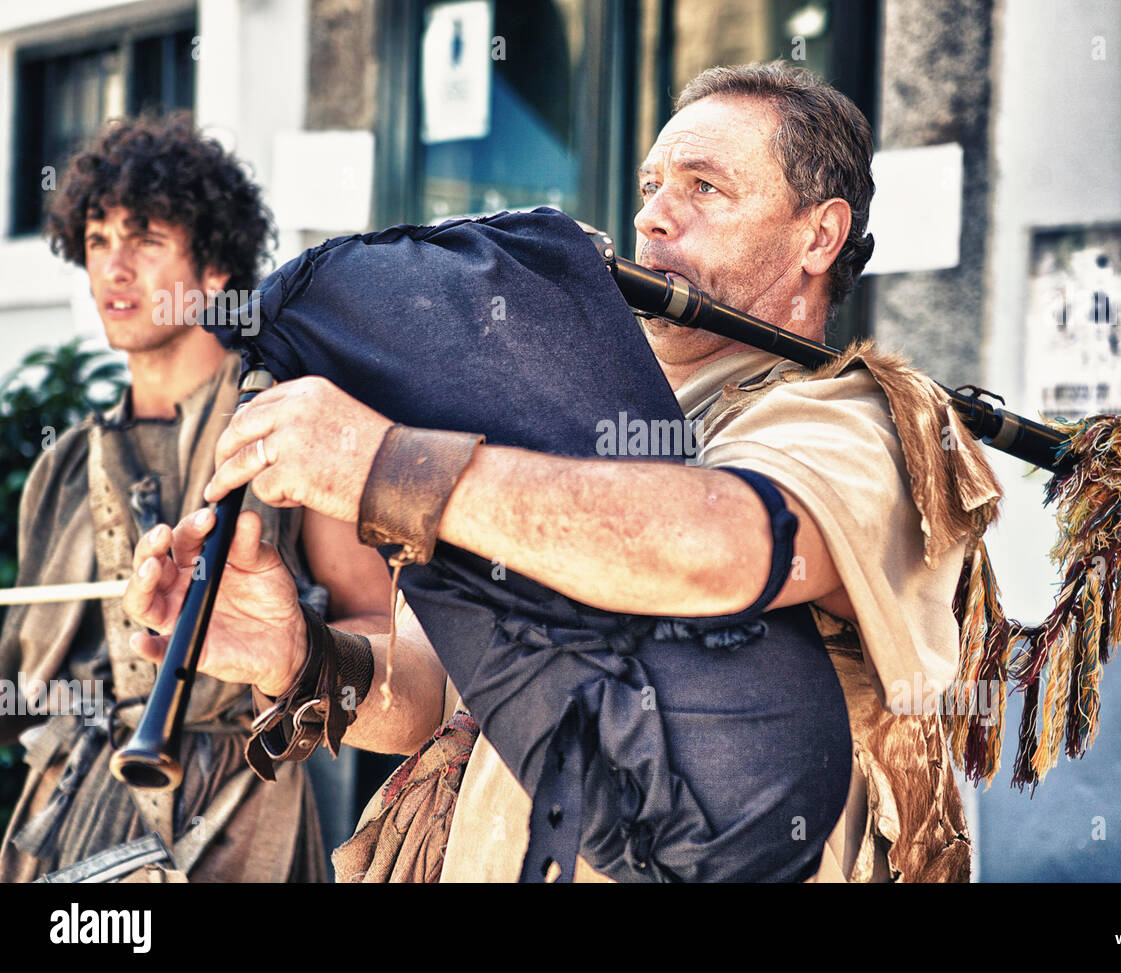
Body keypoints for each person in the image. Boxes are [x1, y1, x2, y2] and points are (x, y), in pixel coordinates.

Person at [122, 62, 1001, 882]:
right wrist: (297, 652)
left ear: (821, 234)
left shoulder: (857, 420)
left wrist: (384, 462)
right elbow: (423, 697)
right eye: (652, 185)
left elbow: (712, 547)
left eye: (704, 187)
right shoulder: (584, 423)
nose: (655, 215)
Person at [0, 114, 391, 883]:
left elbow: (381, 632)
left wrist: (292, 659)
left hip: (243, 811)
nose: (115, 267)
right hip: (71, 818)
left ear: (215, 267)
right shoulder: (64, 467)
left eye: (145, 239)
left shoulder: (290, 428)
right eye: (99, 239)